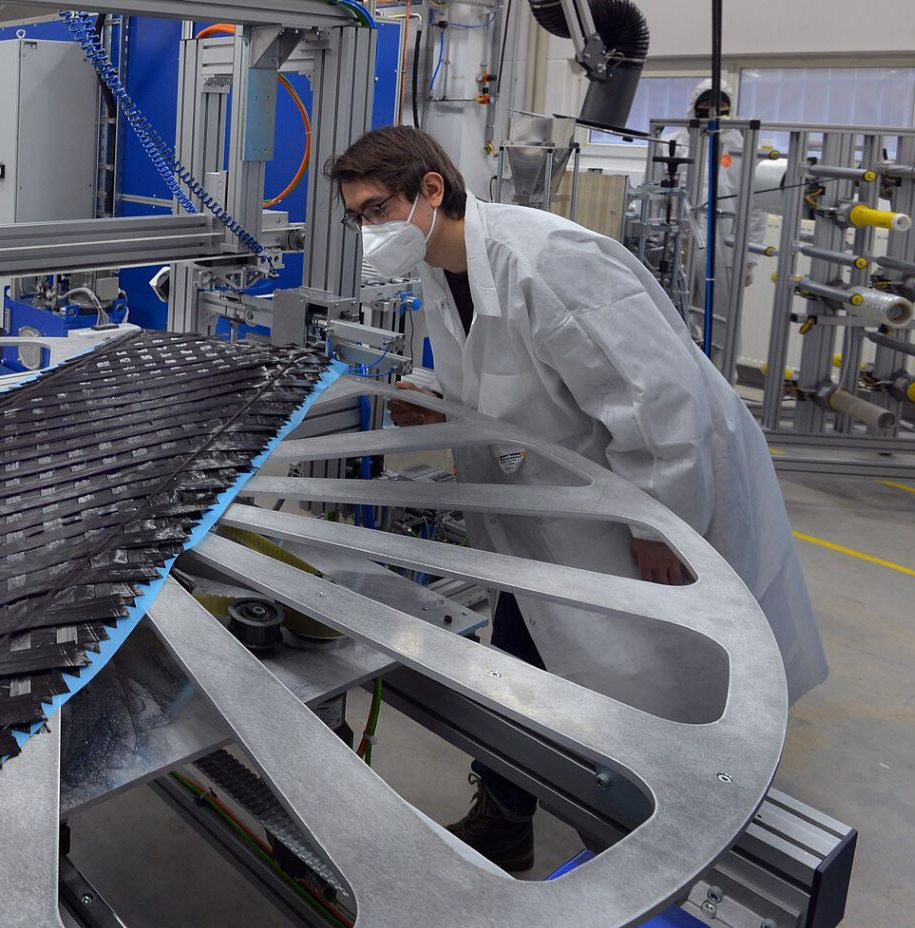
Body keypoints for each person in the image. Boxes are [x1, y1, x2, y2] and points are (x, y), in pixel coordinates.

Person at [328, 126, 827, 872]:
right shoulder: (442, 267)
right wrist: (439, 396)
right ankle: (509, 811)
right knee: (524, 648)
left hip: (653, 488)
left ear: (431, 189)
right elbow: (507, 378)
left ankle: (687, 815)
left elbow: (657, 402)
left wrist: (663, 525)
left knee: (659, 663)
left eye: (375, 211)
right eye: (357, 218)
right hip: (558, 509)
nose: (369, 233)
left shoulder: (547, 260)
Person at [661, 80, 767, 294]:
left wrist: (749, 260)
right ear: (695, 104)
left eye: (720, 104)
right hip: (680, 240)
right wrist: (656, 242)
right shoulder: (672, 143)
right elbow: (657, 197)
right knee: (675, 309)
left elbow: (756, 206)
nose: (713, 109)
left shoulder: (743, 147)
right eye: (707, 102)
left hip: (726, 245)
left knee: (720, 317)